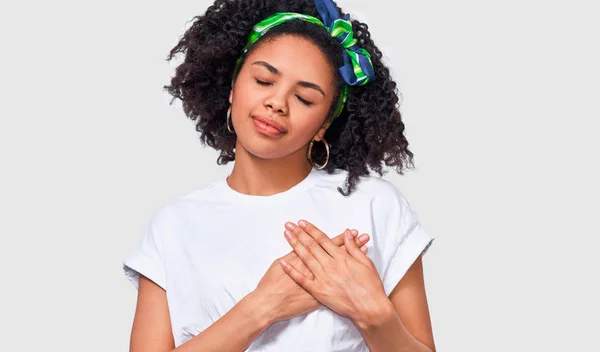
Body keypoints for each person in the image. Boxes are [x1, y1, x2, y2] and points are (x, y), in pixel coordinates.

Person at [122, 0, 436, 351]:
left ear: (324, 125)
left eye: (303, 98)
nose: (277, 103)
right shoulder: (174, 225)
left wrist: (374, 315)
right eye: (263, 80)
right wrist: (263, 307)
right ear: (232, 87)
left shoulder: (374, 206)